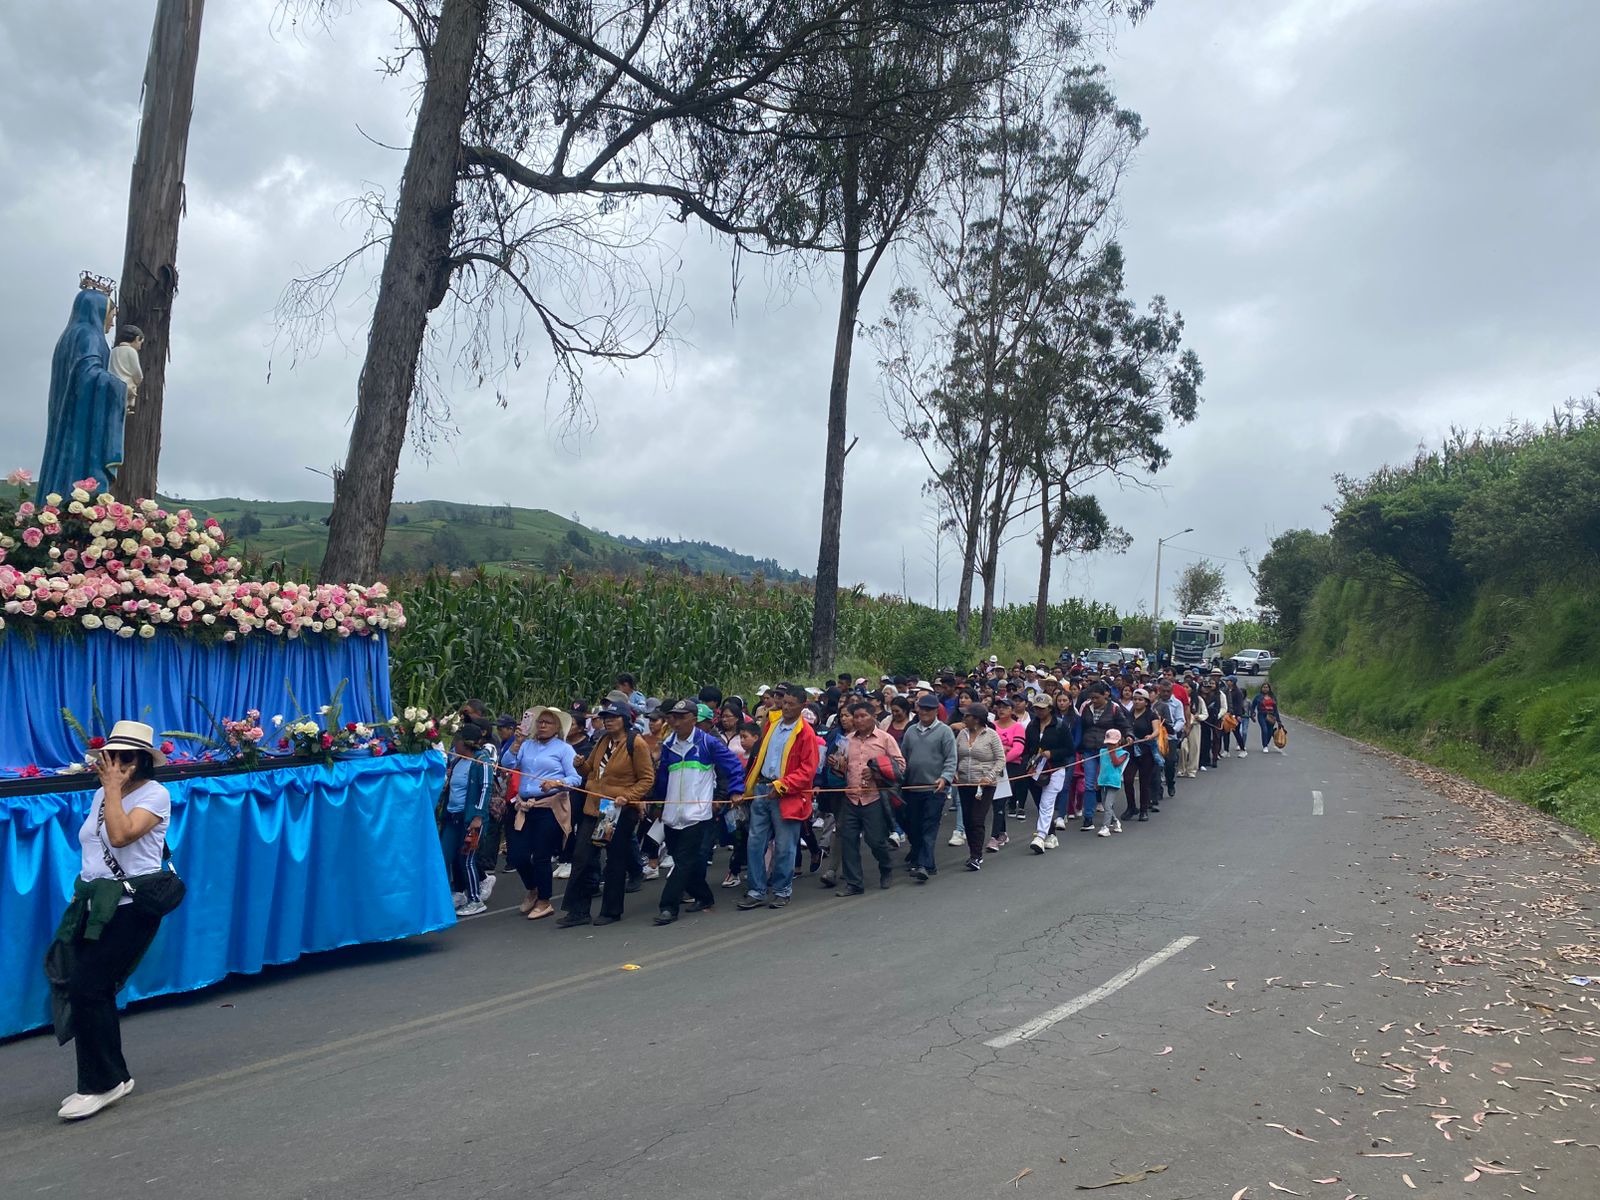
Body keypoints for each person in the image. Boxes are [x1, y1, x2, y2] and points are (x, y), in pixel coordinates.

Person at [50, 721, 173, 1121]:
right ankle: (112, 1077)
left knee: (89, 987)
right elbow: (92, 847)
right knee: (88, 988)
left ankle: (100, 1085)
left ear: (142, 761)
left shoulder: (155, 795)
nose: (117, 764)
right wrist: (80, 893)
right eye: (112, 756)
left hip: (133, 907)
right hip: (95, 905)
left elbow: (121, 837)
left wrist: (114, 790)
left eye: (127, 757)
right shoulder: (101, 796)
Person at [559, 704, 656, 928]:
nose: (608, 721)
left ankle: (611, 910)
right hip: (594, 807)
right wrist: (581, 765)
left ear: (624, 719)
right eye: (605, 717)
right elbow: (591, 771)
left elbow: (646, 779)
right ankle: (578, 911)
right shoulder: (603, 741)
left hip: (617, 810)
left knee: (614, 860)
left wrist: (628, 796)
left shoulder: (636, 743)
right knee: (582, 857)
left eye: (613, 717)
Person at [651, 699, 747, 924]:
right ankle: (704, 896)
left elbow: (733, 765)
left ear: (694, 719)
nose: (676, 722)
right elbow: (663, 779)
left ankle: (668, 907)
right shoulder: (668, 745)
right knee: (684, 859)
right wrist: (657, 804)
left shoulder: (707, 743)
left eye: (682, 717)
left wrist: (735, 791)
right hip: (672, 814)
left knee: (682, 861)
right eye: (673, 717)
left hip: (698, 813)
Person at [39, 284, 130, 499]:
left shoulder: (69, 336)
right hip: (82, 425)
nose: (112, 321)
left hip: (68, 418)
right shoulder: (89, 336)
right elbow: (88, 375)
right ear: (97, 311)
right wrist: (120, 386)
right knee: (80, 472)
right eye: (111, 314)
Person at [737, 683, 819, 911]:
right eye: (784, 703)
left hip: (786, 794)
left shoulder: (806, 733)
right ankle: (756, 890)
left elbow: (807, 770)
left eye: (792, 705)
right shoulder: (772, 725)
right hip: (763, 790)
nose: (786, 708)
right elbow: (758, 757)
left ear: (803, 706)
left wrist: (783, 785)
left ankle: (782, 890)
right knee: (755, 843)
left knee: (785, 846)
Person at [507, 707, 582, 921]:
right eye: (540, 722)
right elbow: (507, 764)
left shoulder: (564, 749)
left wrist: (557, 783)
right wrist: (516, 743)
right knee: (517, 855)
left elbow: (575, 779)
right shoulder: (527, 745)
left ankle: (544, 900)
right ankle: (533, 888)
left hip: (549, 806)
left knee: (541, 855)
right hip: (525, 805)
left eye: (548, 723)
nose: (542, 725)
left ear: (557, 727)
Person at [833, 701, 905, 895]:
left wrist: (877, 774)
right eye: (856, 716)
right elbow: (840, 770)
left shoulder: (885, 739)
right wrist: (837, 765)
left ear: (874, 717)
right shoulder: (846, 739)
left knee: (875, 841)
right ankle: (854, 883)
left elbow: (900, 766)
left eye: (863, 716)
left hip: (873, 797)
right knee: (848, 840)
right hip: (851, 796)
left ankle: (886, 866)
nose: (859, 720)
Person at [440, 719, 496, 916]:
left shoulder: (482, 761)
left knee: (466, 859)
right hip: (453, 817)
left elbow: (485, 789)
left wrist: (478, 816)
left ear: (465, 743)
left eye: (457, 740)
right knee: (444, 855)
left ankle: (475, 898)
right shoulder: (456, 760)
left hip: (471, 819)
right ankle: (453, 893)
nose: (454, 744)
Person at [900, 693, 957, 883]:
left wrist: (945, 778)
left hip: (935, 788)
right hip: (912, 787)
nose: (924, 712)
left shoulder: (944, 731)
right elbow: (903, 758)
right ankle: (923, 860)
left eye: (928, 709)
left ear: (935, 711)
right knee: (914, 826)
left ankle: (923, 865)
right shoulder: (911, 731)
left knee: (929, 826)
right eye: (921, 708)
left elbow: (951, 759)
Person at [954, 704, 1004, 872]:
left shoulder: (991, 735)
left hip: (984, 785)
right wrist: (953, 772)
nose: (963, 718)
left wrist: (988, 777)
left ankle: (976, 856)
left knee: (976, 818)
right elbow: (955, 755)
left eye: (967, 715)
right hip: (964, 783)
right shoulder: (962, 734)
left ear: (976, 719)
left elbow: (1000, 759)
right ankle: (972, 852)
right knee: (967, 819)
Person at [1078, 683, 1131, 834]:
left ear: (1105, 695)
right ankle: (1088, 817)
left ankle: (1110, 818)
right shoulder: (1085, 707)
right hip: (1089, 749)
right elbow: (1081, 727)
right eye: (1091, 697)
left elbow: (1125, 725)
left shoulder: (1114, 708)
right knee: (1089, 784)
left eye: (1096, 697)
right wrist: (1080, 747)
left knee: (1104, 784)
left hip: (1106, 751)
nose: (1093, 700)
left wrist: (1129, 736)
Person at [1125, 690, 1161, 821]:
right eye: (1135, 699)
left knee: (1144, 781)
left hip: (1146, 751)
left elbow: (1157, 730)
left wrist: (1151, 736)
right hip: (1130, 750)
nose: (1137, 702)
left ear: (1146, 702)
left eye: (1140, 699)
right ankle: (1131, 807)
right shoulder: (1128, 715)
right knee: (1128, 779)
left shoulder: (1151, 715)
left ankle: (1144, 809)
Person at [1095, 729, 1129, 838]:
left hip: (1114, 781)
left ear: (1119, 742)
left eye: (1113, 744)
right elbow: (1101, 765)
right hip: (1103, 780)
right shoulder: (1102, 752)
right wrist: (1098, 779)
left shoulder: (1123, 753)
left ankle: (1106, 827)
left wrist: (1113, 753)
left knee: (1108, 804)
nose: (1110, 746)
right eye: (1108, 744)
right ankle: (1115, 821)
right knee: (1105, 805)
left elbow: (1116, 763)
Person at [1251, 682, 1285, 753]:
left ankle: (1267, 742)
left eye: (1267, 687)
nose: (1265, 689)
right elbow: (1253, 706)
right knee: (1264, 729)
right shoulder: (1258, 696)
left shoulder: (1273, 697)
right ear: (1261, 688)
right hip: (1262, 715)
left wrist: (1279, 721)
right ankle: (1265, 746)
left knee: (1269, 731)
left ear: (1269, 688)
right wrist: (1252, 713)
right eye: (1264, 687)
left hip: (1271, 716)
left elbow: (1275, 709)